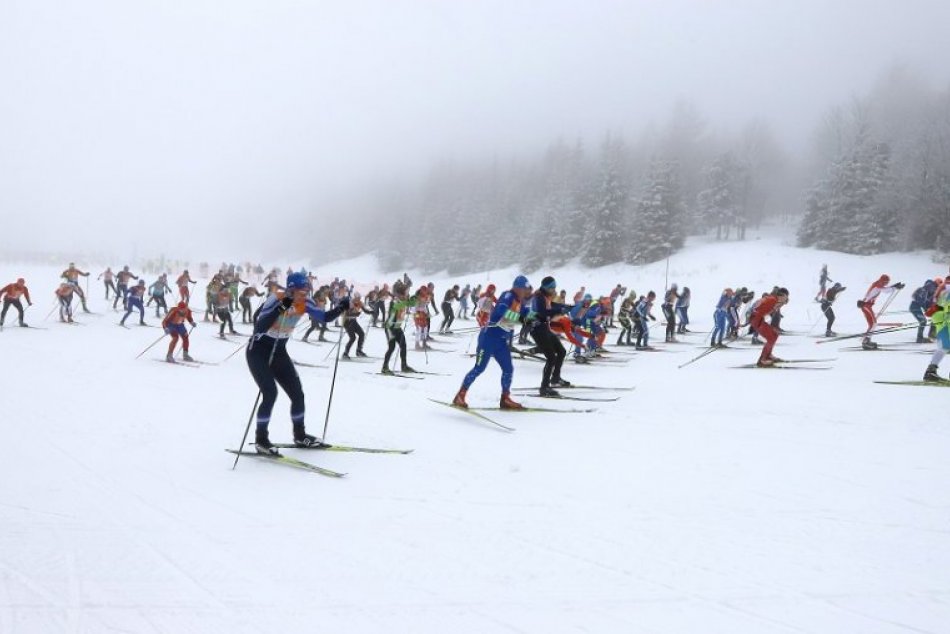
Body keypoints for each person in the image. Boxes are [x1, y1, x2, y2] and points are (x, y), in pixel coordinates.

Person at [247, 272, 348, 454]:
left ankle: (300, 436)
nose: (305, 295)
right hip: (259, 351)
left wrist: (341, 308)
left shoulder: (305, 303)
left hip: (279, 351)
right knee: (270, 393)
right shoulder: (275, 299)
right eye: (301, 292)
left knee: (298, 394)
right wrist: (280, 308)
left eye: (307, 291)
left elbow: (324, 317)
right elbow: (259, 326)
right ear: (291, 289)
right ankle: (261, 439)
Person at [452, 275, 532, 410]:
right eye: (525, 289)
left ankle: (505, 399)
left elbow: (528, 313)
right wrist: (521, 318)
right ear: (518, 288)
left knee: (508, 369)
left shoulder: (520, 301)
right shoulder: (508, 295)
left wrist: (539, 318)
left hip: (500, 342)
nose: (526, 292)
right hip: (488, 339)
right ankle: (460, 396)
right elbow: (501, 310)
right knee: (479, 368)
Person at [528, 276, 571, 396]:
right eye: (552, 288)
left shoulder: (545, 296)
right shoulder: (537, 297)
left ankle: (555, 379)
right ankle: (544, 388)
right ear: (547, 288)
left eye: (554, 287)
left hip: (545, 328)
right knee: (551, 357)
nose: (554, 290)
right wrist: (560, 310)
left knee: (561, 351)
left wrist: (565, 307)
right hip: (537, 330)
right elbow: (543, 312)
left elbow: (552, 305)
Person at [859, 274, 905, 350]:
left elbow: (885, 288)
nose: (886, 283)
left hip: (866, 306)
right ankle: (866, 341)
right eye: (886, 282)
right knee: (874, 323)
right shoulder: (877, 284)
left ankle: (867, 341)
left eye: (887, 282)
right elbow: (885, 291)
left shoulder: (878, 284)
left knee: (872, 324)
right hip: (866, 305)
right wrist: (895, 287)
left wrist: (894, 286)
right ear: (882, 281)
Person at [382, 280, 417, 374]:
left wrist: (413, 298)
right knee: (391, 347)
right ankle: (384, 368)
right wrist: (409, 301)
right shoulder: (394, 302)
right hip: (390, 327)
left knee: (403, 346)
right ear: (400, 294)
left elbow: (411, 304)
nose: (407, 295)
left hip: (397, 327)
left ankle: (404, 366)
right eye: (405, 293)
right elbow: (400, 305)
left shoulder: (402, 300)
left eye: (407, 293)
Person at [750, 287, 789, 367]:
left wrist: (780, 304)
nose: (787, 298)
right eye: (786, 297)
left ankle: (768, 355)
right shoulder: (772, 300)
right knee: (771, 338)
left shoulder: (772, 299)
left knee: (775, 334)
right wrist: (753, 324)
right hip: (757, 320)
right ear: (782, 295)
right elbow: (758, 310)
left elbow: (762, 308)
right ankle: (762, 360)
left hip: (758, 319)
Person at [342, 293, 372, 359]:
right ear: (354, 298)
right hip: (347, 322)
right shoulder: (350, 304)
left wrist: (371, 312)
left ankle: (359, 351)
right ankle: (345, 353)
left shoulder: (360, 303)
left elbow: (365, 310)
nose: (358, 300)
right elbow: (347, 314)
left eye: (359, 298)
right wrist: (355, 314)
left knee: (361, 334)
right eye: (357, 298)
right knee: (352, 338)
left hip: (353, 321)